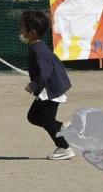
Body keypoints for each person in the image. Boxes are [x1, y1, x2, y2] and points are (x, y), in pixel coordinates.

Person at [19, 9, 73, 160]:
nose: (21, 30)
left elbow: (45, 71)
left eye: (23, 27)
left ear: (32, 32)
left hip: (51, 89)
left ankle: (64, 147)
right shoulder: (37, 47)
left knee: (46, 120)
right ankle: (61, 127)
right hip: (50, 88)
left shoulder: (38, 49)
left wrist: (34, 86)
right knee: (34, 116)